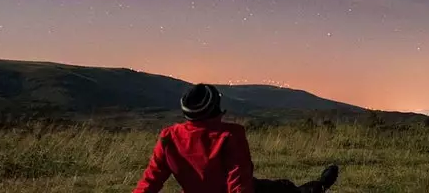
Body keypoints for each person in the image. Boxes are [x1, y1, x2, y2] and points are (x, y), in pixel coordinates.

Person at [133, 83, 340, 193]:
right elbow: (239, 183)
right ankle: (320, 186)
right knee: (284, 188)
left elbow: (150, 181)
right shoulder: (230, 135)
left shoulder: (168, 137)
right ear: (215, 107)